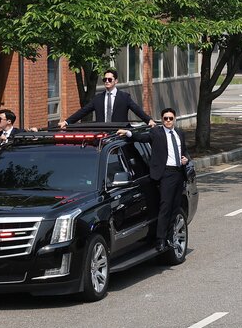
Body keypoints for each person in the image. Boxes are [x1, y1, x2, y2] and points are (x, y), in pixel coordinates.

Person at [121, 109, 189, 252]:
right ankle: (160, 240)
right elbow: (141, 137)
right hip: (166, 174)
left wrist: (186, 159)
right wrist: (128, 133)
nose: (168, 121)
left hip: (179, 173)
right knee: (165, 207)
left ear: (175, 119)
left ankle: (171, 237)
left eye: (171, 118)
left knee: (175, 208)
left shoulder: (179, 133)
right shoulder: (156, 133)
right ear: (162, 119)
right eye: (165, 118)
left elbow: (184, 151)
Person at [60, 69, 152, 128]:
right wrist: (67, 122)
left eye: (110, 79)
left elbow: (137, 109)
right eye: (105, 80)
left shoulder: (124, 97)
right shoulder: (98, 98)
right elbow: (83, 111)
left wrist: (149, 120)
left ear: (116, 81)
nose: (107, 81)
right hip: (102, 133)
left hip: (119, 134)